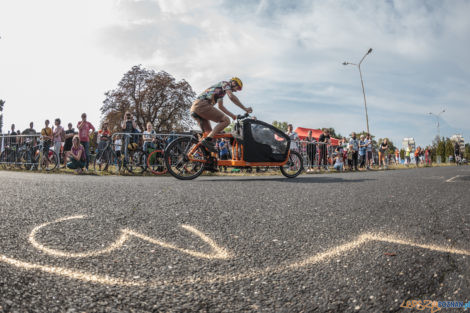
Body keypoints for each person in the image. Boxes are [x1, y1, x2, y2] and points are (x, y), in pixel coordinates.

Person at [190, 77, 252, 153]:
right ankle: (207, 140)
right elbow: (231, 96)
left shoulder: (221, 93)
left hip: (196, 107)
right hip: (202, 105)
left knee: (209, 134)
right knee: (226, 120)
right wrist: (245, 109)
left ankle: (198, 156)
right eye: (237, 88)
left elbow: (221, 107)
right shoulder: (225, 83)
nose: (236, 90)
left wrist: (233, 116)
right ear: (233, 83)